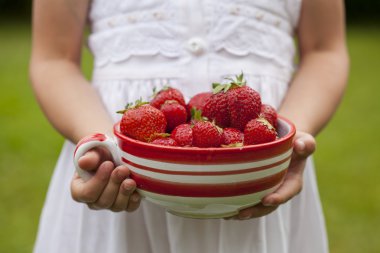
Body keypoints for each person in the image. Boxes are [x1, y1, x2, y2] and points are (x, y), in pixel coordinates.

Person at [30, 0, 349, 252]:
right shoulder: (114, 148)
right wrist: (103, 146)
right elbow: (53, 59)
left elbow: (325, 49)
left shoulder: (262, 133)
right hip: (122, 161)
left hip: (259, 165)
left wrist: (285, 145)